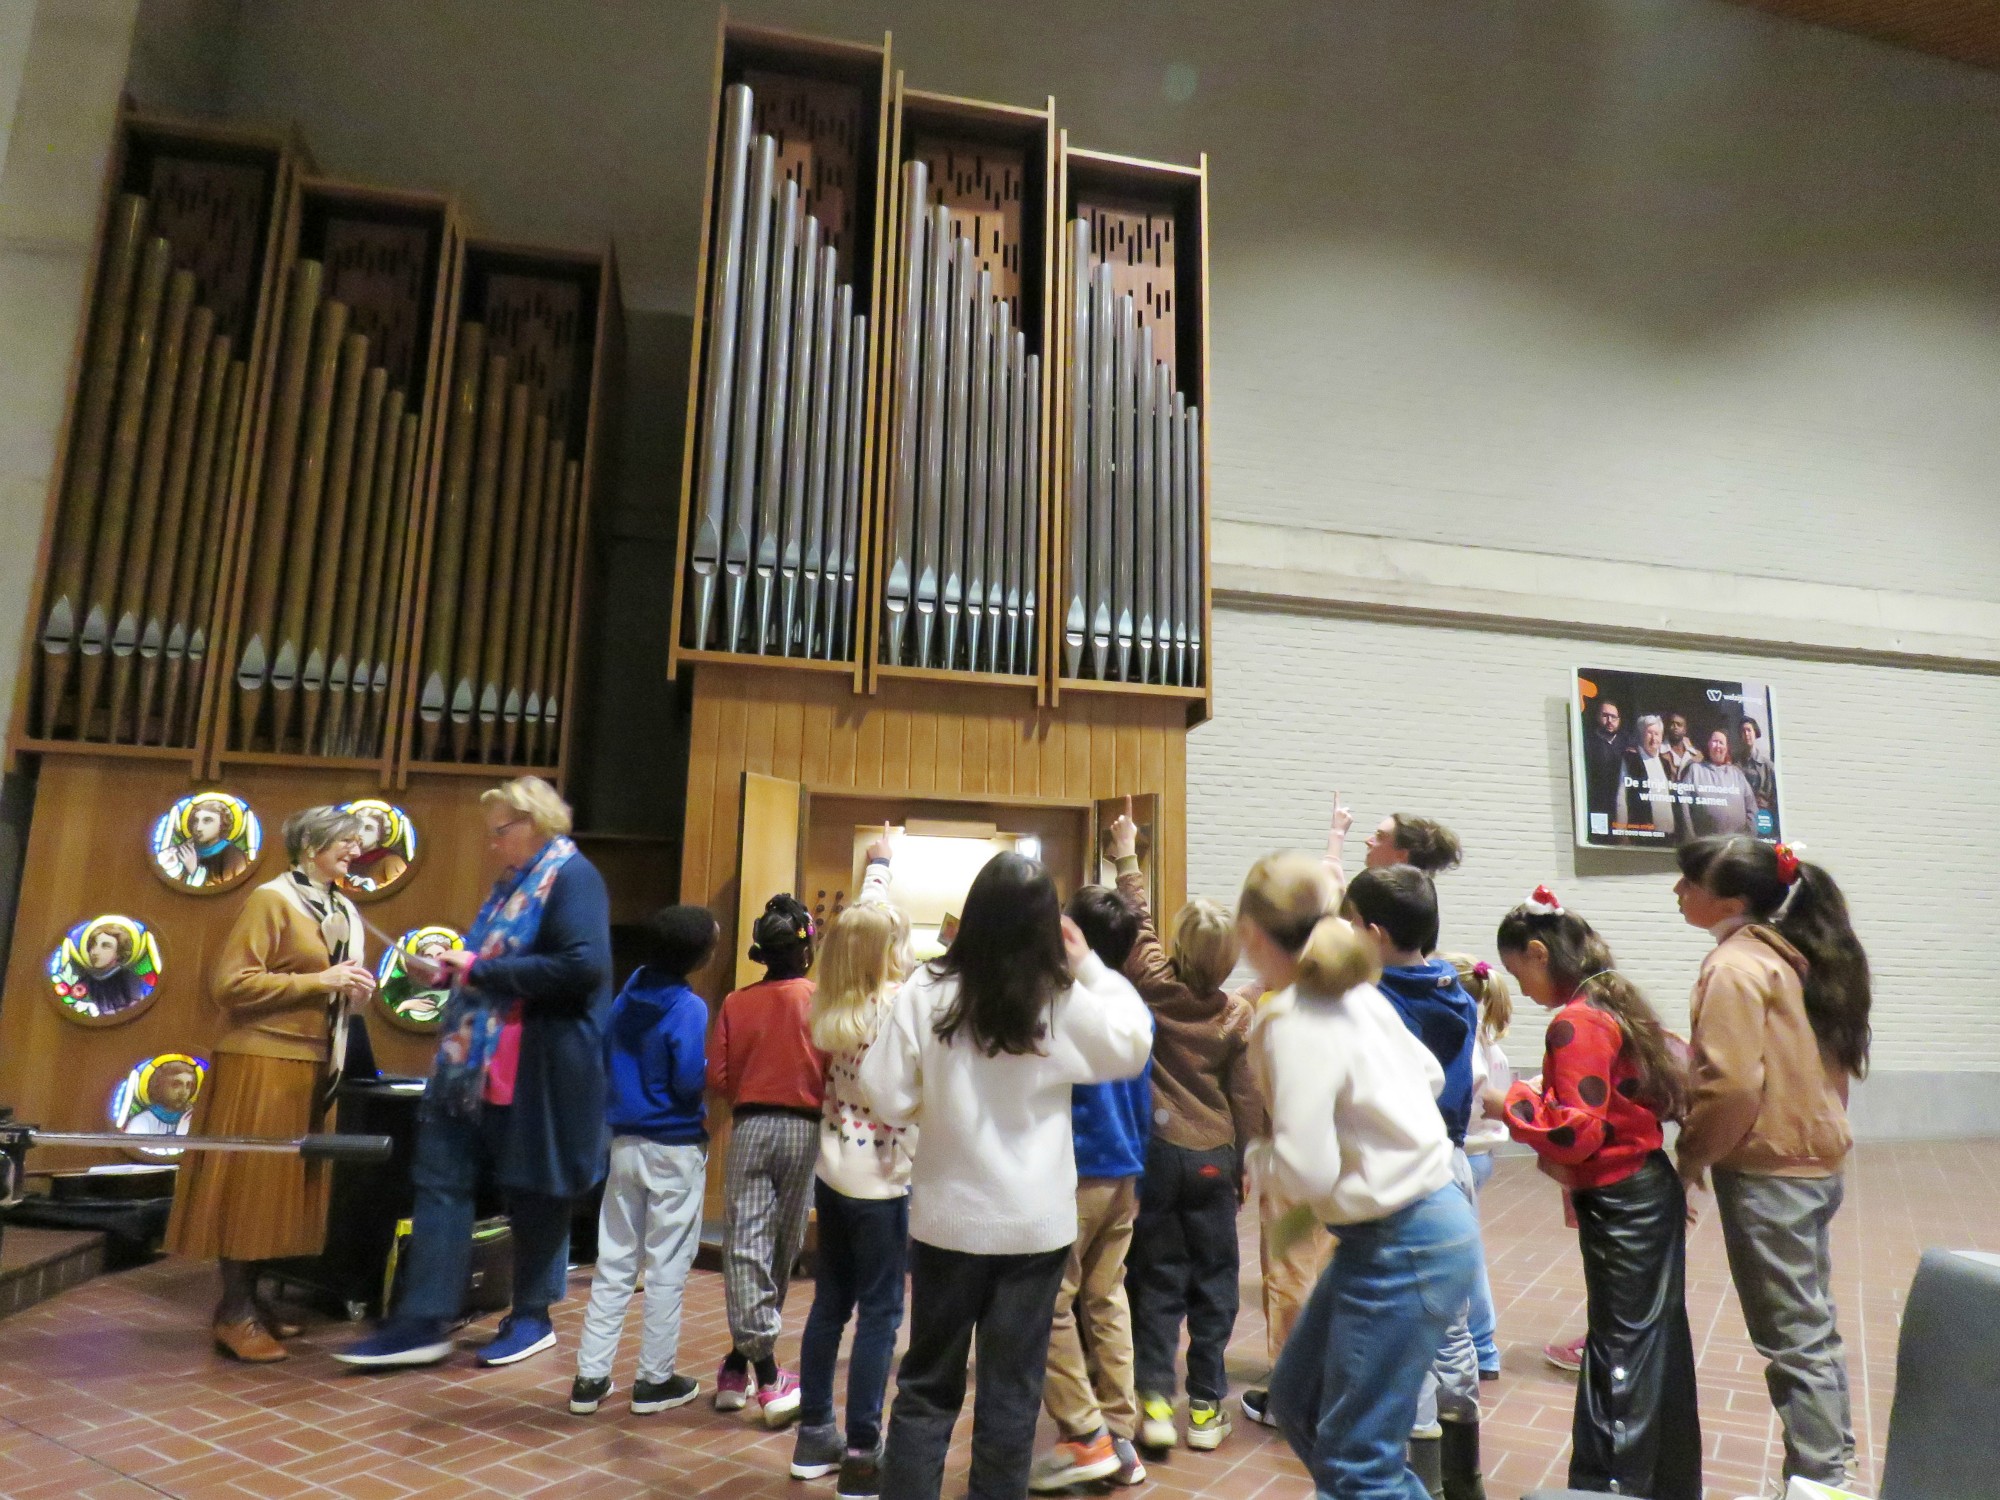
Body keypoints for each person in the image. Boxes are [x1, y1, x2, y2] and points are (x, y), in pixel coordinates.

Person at [859, 851, 1152, 1500]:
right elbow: (1133, 1041)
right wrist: (1091, 967)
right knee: (1011, 1398)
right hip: (1033, 1227)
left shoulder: (926, 989)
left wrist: (929, 1103)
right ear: (1050, 927)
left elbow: (882, 1093)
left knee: (927, 1389)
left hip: (945, 1220)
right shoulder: (1060, 998)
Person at [335, 776, 614, 1370]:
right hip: (469, 1069)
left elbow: (583, 967)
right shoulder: (511, 885)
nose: (492, 844)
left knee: (534, 1193)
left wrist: (481, 970)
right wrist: (451, 971)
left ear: (533, 824)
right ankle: (423, 1321)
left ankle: (532, 1315)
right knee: (440, 1182)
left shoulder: (573, 876)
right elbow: (495, 965)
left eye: (500, 832)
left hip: (532, 1068)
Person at [1238, 851, 1479, 1500]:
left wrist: (1258, 1159)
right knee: (1297, 1400)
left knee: (1357, 1464)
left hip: (1406, 1240)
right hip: (1420, 1225)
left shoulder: (1291, 1016)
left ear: (1252, 934)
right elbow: (1428, 1077)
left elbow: (1307, 1168)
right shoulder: (1353, 992)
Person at [1492, 886, 1702, 1500]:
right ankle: (1667, 1486)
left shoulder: (1575, 1020)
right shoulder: (1613, 1006)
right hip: (1645, 1189)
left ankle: (1605, 1490)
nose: (1523, 989)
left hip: (1621, 1197)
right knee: (1658, 1343)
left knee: (1620, 1353)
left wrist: (1507, 1102)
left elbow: (1578, 1132)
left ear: (1538, 953)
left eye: (1518, 971)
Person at [1673, 836, 1870, 1491]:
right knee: (1811, 1327)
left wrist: (1692, 1152)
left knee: (1792, 1337)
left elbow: (1731, 1085)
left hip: (1770, 1174)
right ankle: (1827, 1463)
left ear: (1729, 900)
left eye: (1688, 883)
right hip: (1812, 1164)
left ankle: (1822, 1478)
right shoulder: (1792, 957)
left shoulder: (1736, 966)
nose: (1677, 893)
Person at [165, 805, 373, 1362]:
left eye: (358, 843)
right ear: (310, 846)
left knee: (276, 1191)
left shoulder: (342, 908)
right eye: (345, 841)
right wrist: (319, 979)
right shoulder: (272, 899)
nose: (355, 850)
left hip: (311, 1061)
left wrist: (349, 989)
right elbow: (230, 983)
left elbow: (327, 978)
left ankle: (252, 1302)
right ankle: (233, 1311)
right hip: (261, 1059)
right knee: (247, 1187)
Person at [1112, 812, 1261, 1462]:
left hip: (1156, 1157)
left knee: (1157, 1279)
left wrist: (1127, 855)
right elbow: (1247, 1097)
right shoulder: (1235, 1014)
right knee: (1216, 1282)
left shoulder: (1153, 988)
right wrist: (1246, 1160)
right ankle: (1205, 1405)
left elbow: (1137, 925)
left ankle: (1153, 1404)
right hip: (1214, 1160)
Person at [1342, 865, 1485, 1500]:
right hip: (1450, 1163)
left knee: (1405, 1334)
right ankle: (1463, 1476)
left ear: (1373, 933)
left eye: (1349, 924)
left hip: (1403, 1172)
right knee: (1450, 1326)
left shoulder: (1377, 1002)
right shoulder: (1457, 987)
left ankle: (1419, 1474)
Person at [791, 832, 913, 1500]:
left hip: (833, 1173)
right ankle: (864, 1449)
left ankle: (816, 1434)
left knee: (829, 1305)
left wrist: (878, 869)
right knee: (881, 1315)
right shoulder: (897, 1009)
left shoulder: (832, 1002)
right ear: (886, 957)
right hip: (882, 1185)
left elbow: (865, 929)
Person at [568, 903, 720, 1418]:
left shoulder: (631, 987)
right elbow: (685, 1082)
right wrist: (708, 1070)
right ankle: (654, 1380)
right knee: (666, 1267)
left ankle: (590, 1378)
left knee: (614, 1261)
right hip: (674, 1147)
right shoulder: (688, 1008)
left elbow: (610, 1045)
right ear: (699, 957)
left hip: (625, 1143)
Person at [1029, 865, 1150, 1491]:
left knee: (1050, 1303)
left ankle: (1084, 1431)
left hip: (1081, 1172)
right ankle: (1121, 1430)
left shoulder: (1072, 1002)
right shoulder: (1129, 999)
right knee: (1107, 1298)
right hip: (1127, 1167)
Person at [708, 890, 822, 1422]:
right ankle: (771, 1377)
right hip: (804, 1129)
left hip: (750, 1124)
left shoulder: (735, 1002)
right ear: (806, 950)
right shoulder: (818, 999)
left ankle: (737, 1364)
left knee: (745, 1244)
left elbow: (720, 1078)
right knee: (782, 1246)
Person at [1451, 955, 1513, 1381]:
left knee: (1465, 1255)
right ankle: (1482, 1344)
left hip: (1466, 1154)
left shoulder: (1462, 1041)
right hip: (1482, 1155)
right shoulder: (1491, 1044)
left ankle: (1483, 1344)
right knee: (1465, 1249)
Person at [1615, 713, 1685, 845]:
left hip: (1667, 835)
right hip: (1642, 835)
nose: (1654, 738)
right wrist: (1621, 832)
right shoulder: (1631, 760)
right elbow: (1621, 798)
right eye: (1649, 733)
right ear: (1642, 736)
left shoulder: (1665, 763)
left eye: (1657, 734)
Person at [1683, 728, 1757, 837]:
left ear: (1726, 748)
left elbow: (1751, 807)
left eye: (1721, 743)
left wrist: (1749, 839)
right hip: (1704, 844)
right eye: (1714, 742)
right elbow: (1683, 805)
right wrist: (1690, 837)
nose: (1718, 746)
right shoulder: (1695, 770)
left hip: (1735, 845)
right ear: (1708, 745)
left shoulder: (1737, 774)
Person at [1581, 698, 1626, 829]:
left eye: (1614, 717)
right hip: (1596, 805)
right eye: (1605, 716)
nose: (1610, 721)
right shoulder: (1587, 742)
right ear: (1597, 717)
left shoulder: (1627, 742)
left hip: (1621, 807)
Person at [1739, 717, 1777, 819]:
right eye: (1743, 731)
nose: (1746, 734)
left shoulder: (1767, 766)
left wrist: (1768, 805)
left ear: (1755, 733)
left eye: (1749, 730)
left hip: (1763, 816)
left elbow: (1776, 796)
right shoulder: (1736, 765)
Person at [1661, 711, 1703, 779]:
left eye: (1679, 724)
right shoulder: (1658, 752)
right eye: (1672, 724)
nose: (1675, 727)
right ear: (1667, 727)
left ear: (1685, 730)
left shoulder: (1698, 756)